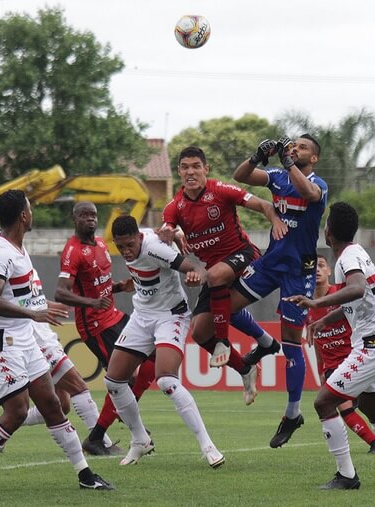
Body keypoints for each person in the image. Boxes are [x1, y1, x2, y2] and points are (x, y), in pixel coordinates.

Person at [0, 189, 113, 491]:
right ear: (24, 216)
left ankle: (85, 475)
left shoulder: (17, 248)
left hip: (22, 339)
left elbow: (17, 297)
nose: (32, 213)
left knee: (53, 404)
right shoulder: (2, 252)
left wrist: (36, 310)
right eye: (30, 208)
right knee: (17, 410)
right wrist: (35, 313)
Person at [199, 134, 326, 448]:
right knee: (223, 307)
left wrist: (286, 160)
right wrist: (258, 155)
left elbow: (308, 193)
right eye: (292, 146)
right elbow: (241, 176)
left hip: (299, 273)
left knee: (293, 342)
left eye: (302, 148)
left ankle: (292, 413)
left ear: (314, 159)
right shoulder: (279, 177)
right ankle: (264, 342)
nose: (295, 149)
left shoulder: (317, 183)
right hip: (271, 263)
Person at [286, 202, 375, 489]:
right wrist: (324, 320)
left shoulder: (346, 260)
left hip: (373, 344)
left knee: (323, 402)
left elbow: (355, 288)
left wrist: (317, 303)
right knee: (370, 404)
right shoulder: (357, 253)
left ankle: (347, 475)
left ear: (328, 232)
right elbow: (357, 300)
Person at [158, 145, 286, 405]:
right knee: (200, 332)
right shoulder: (175, 206)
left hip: (243, 255)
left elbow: (262, 204)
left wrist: (276, 220)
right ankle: (246, 368)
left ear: (206, 169)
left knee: (215, 277)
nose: (190, 172)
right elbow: (167, 230)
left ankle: (225, 342)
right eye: (185, 167)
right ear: (179, 172)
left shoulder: (221, 190)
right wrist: (171, 235)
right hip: (216, 270)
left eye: (196, 166)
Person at [105, 216, 224, 468]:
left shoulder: (154, 247)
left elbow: (196, 268)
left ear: (138, 237)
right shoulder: (138, 246)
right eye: (120, 247)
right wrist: (124, 286)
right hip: (142, 316)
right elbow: (145, 276)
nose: (125, 252)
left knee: (166, 379)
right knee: (113, 381)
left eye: (129, 245)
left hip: (171, 315)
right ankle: (140, 440)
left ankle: (208, 446)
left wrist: (196, 275)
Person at [55, 201, 156, 456]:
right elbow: (61, 292)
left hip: (113, 316)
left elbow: (99, 285)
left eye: (93, 215)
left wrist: (118, 288)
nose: (90, 219)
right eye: (84, 215)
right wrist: (91, 302)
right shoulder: (73, 251)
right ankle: (100, 437)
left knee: (153, 355)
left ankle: (127, 420)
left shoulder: (100, 243)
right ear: (74, 218)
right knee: (121, 378)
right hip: (95, 326)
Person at [20, 268, 117, 453]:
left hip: (46, 335)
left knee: (61, 406)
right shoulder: (5, 264)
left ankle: (10, 422)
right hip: (35, 340)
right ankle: (100, 441)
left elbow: (32, 300)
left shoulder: (26, 262)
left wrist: (51, 306)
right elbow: (9, 303)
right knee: (78, 386)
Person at [307, 254, 375, 454]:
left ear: (329, 271)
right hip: (334, 365)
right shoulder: (306, 306)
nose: (316, 269)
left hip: (356, 355)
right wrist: (320, 370)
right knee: (343, 406)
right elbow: (316, 343)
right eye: (313, 266)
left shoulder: (341, 293)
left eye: (321, 265)